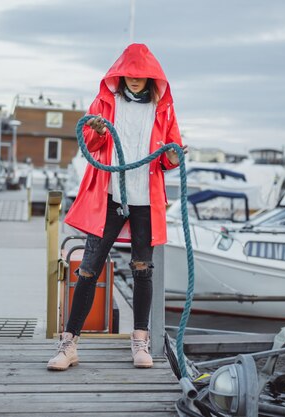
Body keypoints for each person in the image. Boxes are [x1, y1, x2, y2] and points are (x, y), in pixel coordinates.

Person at [47, 43, 187, 371]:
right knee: (89, 268)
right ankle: (69, 345)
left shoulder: (163, 108)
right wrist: (95, 132)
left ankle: (140, 341)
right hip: (109, 195)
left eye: (141, 75)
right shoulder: (105, 102)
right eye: (129, 74)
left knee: (142, 269)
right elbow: (91, 143)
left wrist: (173, 155)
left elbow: (170, 155)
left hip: (145, 199)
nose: (135, 80)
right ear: (120, 75)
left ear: (152, 77)